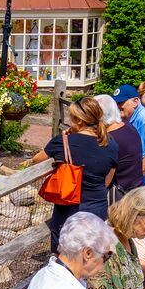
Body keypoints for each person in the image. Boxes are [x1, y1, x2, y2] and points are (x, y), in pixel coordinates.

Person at [30, 97, 118, 251]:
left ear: (79, 121)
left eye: (71, 118)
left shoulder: (63, 142)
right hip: (97, 205)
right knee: (90, 251)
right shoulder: (111, 144)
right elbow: (108, 179)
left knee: (64, 252)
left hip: (70, 207)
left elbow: (36, 160)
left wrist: (65, 139)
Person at [95, 94, 143, 199]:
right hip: (134, 188)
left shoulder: (111, 138)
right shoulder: (128, 126)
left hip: (119, 194)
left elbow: (104, 177)